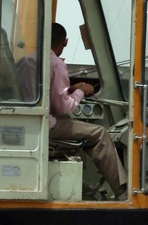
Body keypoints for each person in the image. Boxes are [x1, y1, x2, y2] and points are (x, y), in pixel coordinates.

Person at [48, 22, 126, 200]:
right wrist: (81, 91)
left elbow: (46, 92)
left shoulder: (27, 61)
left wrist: (70, 88)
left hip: (35, 124)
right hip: (49, 125)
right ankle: (123, 192)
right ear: (65, 42)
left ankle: (84, 187)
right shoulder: (56, 64)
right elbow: (62, 107)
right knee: (99, 134)